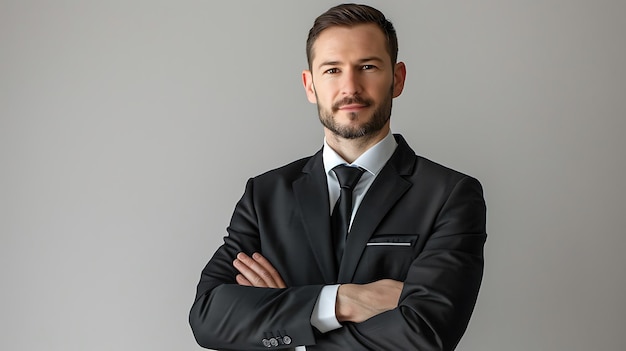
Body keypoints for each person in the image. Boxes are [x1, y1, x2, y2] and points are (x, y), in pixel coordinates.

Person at [189, 3, 486, 350]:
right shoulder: (265, 194)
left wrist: (288, 322)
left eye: (368, 66)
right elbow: (208, 316)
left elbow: (425, 334)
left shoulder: (449, 194)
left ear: (398, 78)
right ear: (310, 85)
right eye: (332, 70)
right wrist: (342, 301)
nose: (350, 86)